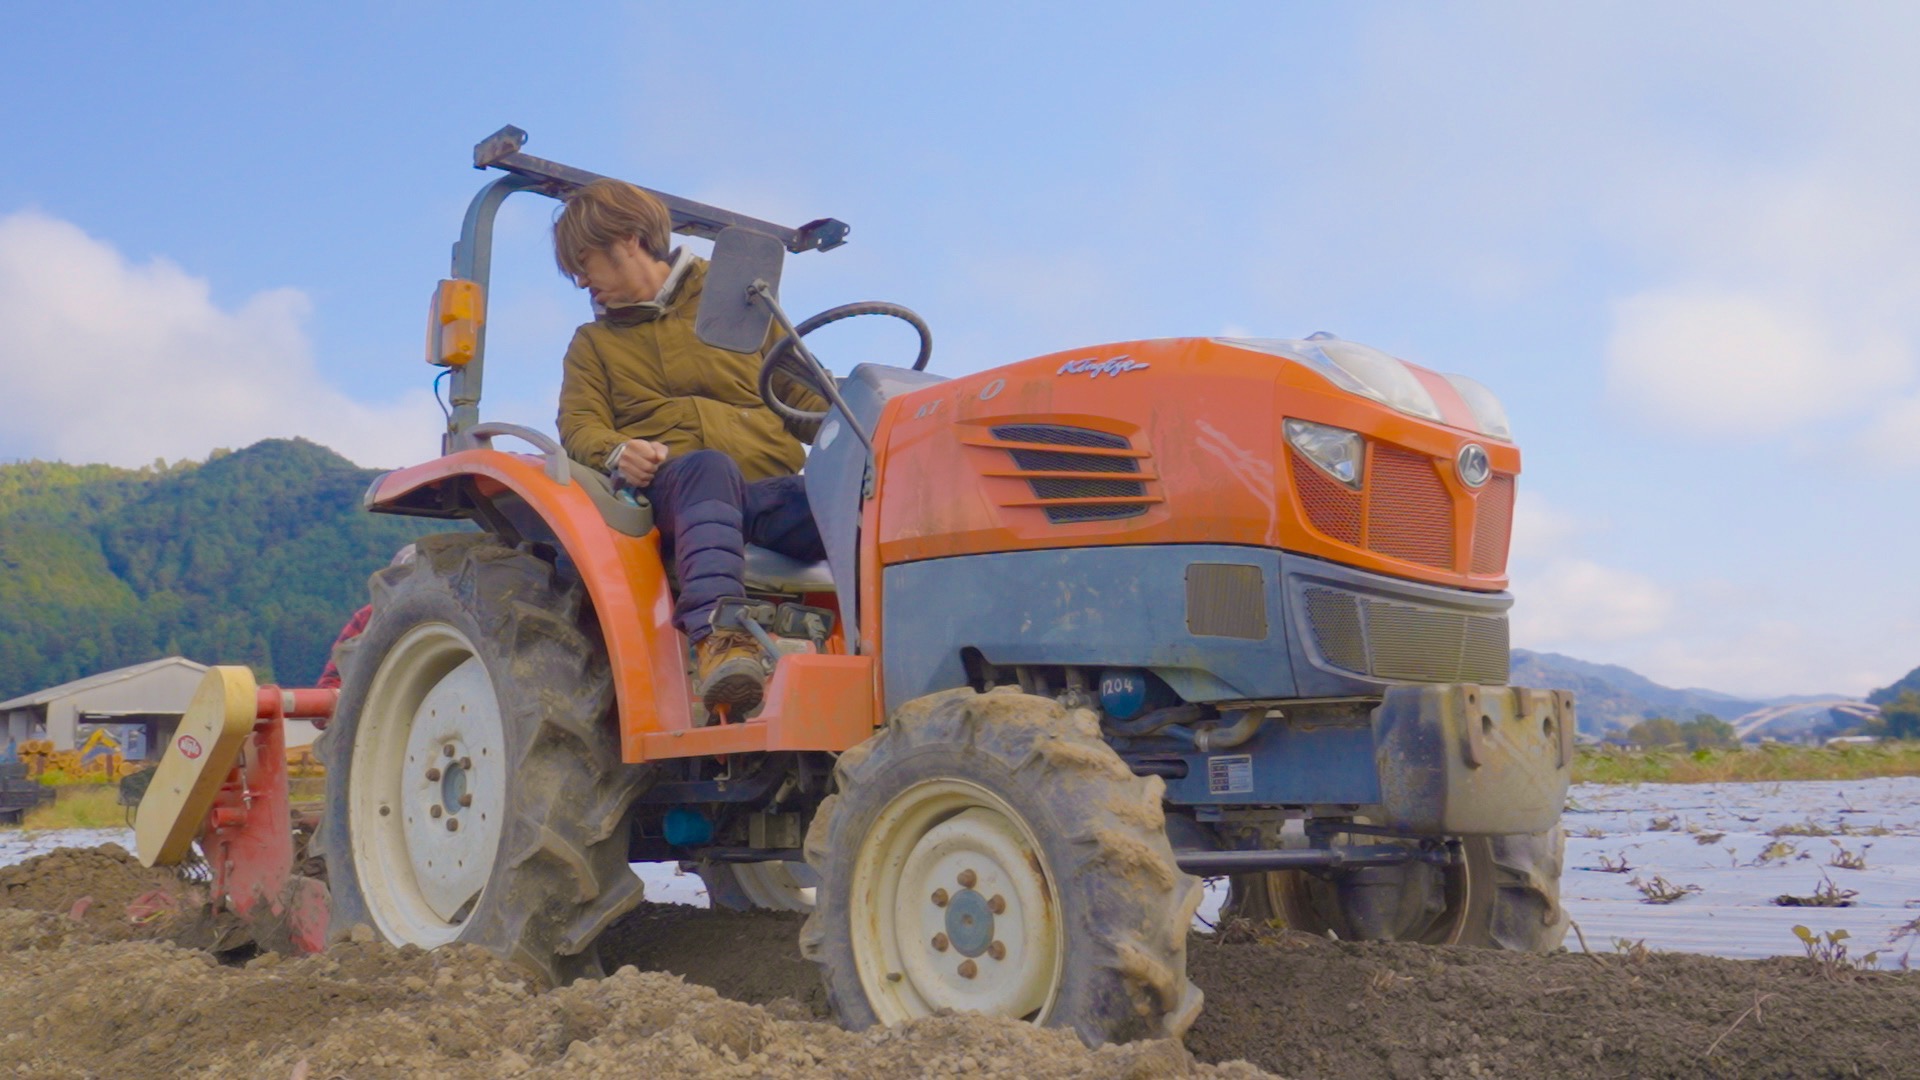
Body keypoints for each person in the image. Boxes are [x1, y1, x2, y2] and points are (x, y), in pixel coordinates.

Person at [553, 179, 826, 717]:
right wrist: (617, 451)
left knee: (860, 500)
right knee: (707, 468)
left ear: (629, 240)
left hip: (762, 495)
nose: (581, 281)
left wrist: (868, 420)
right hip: (674, 490)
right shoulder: (594, 345)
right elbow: (579, 426)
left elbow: (806, 397)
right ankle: (722, 641)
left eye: (584, 262)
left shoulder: (743, 304)